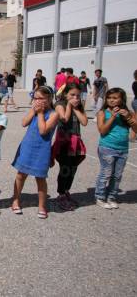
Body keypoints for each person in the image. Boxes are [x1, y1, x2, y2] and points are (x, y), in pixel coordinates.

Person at [10, 86, 59, 219]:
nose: (37, 101)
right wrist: (33, 111)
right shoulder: (34, 110)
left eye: (41, 98)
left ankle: (42, 205)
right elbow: (23, 123)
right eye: (35, 98)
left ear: (49, 99)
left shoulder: (54, 114)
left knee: (40, 178)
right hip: (27, 146)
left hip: (42, 150)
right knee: (20, 175)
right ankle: (15, 200)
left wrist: (41, 113)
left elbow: (43, 131)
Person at [94, 88, 137, 209]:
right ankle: (100, 196)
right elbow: (102, 131)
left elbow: (136, 130)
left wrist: (128, 117)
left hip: (123, 149)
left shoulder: (127, 113)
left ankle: (111, 196)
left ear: (121, 99)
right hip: (107, 147)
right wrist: (112, 117)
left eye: (115, 98)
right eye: (109, 98)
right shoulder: (103, 112)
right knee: (106, 173)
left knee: (117, 175)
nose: (111, 100)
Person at [52, 83, 87, 211]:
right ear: (65, 94)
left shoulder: (78, 107)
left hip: (76, 142)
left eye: (78, 95)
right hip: (64, 142)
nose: (76, 98)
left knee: (73, 168)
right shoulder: (59, 105)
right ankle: (61, 193)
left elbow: (84, 122)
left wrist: (76, 109)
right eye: (72, 95)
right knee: (65, 169)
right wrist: (69, 105)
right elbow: (64, 118)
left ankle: (67, 191)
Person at [131, 70, 137, 142]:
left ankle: (133, 136)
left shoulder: (134, 83)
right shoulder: (135, 83)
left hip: (135, 101)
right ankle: (133, 137)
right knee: (136, 120)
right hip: (136, 102)